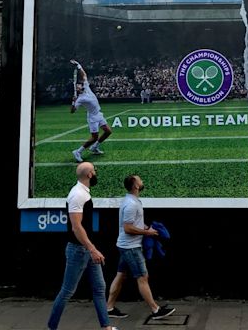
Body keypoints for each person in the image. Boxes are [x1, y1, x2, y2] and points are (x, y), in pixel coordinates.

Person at [48, 162, 119, 330]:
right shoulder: (78, 195)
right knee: (67, 291)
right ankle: (51, 327)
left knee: (99, 288)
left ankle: (106, 327)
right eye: (94, 170)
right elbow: (76, 227)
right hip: (79, 251)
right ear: (89, 175)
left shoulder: (82, 193)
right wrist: (92, 249)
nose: (95, 173)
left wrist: (91, 248)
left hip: (85, 250)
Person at [106, 174, 175, 320]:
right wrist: (146, 232)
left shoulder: (132, 201)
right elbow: (127, 228)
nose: (142, 181)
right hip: (130, 247)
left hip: (125, 246)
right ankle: (155, 310)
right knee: (143, 277)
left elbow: (133, 224)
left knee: (121, 275)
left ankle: (109, 308)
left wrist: (146, 228)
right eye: (140, 180)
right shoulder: (131, 204)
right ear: (136, 186)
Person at [70, 59, 112, 163]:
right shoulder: (79, 99)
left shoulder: (87, 87)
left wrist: (79, 65)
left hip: (99, 114)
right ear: (77, 89)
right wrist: (73, 102)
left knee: (108, 132)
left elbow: (84, 75)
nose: (79, 85)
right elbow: (72, 111)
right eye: (77, 85)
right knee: (94, 137)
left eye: (79, 84)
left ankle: (94, 148)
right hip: (92, 117)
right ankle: (78, 152)